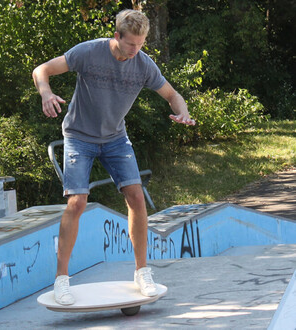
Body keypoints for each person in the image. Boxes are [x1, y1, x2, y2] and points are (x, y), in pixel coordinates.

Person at [32, 9, 195, 306]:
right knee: (77, 201)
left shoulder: (144, 65)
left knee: (136, 196)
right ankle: (62, 279)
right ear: (117, 35)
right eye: (131, 44)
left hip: (115, 139)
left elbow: (173, 95)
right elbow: (41, 70)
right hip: (79, 136)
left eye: (141, 44)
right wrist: (45, 93)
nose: (136, 51)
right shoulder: (89, 52)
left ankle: (142, 272)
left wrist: (182, 111)